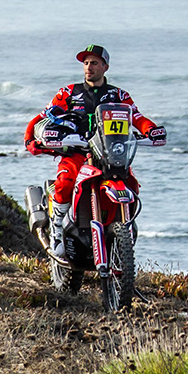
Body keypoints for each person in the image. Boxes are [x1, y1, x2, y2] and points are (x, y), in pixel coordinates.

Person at [24, 44, 166, 257]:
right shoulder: (69, 93)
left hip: (109, 154)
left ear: (105, 67)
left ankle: (124, 229)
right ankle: (57, 228)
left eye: (94, 63)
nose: (89, 67)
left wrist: (152, 130)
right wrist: (30, 138)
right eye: (86, 63)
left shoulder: (118, 95)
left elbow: (137, 117)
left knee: (132, 184)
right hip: (76, 152)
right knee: (66, 182)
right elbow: (44, 116)